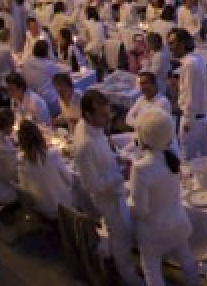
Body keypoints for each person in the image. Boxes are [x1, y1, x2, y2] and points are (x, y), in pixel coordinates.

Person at [73, 90, 140, 286]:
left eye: (107, 112)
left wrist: (117, 157)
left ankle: (107, 254)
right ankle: (127, 276)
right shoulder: (85, 144)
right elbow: (91, 185)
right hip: (108, 199)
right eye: (102, 114)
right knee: (122, 237)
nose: (108, 118)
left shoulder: (93, 127)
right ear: (87, 115)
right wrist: (121, 177)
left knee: (117, 233)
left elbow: (104, 150)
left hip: (114, 188)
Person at [129, 108, 200, 286]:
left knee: (152, 270)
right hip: (177, 222)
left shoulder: (141, 168)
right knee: (187, 259)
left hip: (154, 231)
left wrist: (128, 203)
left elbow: (141, 210)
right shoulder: (172, 156)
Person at [15, 120, 75, 218]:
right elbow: (69, 180)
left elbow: (25, 189)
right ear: (39, 136)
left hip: (41, 207)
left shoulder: (21, 163)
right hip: (63, 208)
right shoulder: (52, 155)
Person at [168, 27, 207, 158]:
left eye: (172, 43)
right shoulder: (196, 58)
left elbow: (190, 96)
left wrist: (187, 121)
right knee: (202, 155)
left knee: (187, 157)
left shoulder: (189, 64)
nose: (170, 48)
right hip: (202, 115)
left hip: (192, 119)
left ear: (182, 44)